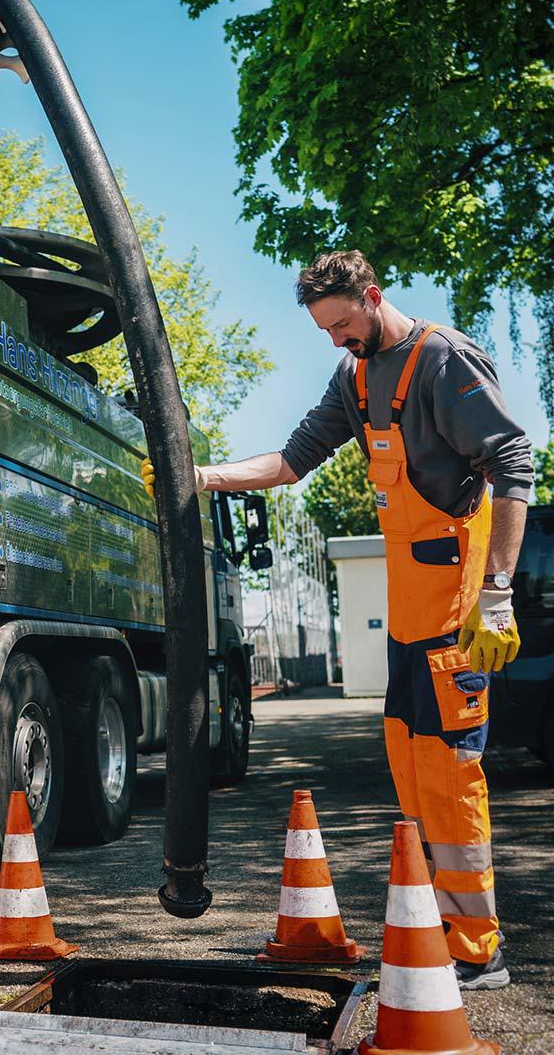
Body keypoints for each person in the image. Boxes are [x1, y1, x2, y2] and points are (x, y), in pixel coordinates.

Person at [142, 251, 532, 991]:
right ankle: (439, 935)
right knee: (414, 781)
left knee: (451, 780)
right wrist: (198, 477)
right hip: (410, 623)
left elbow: (513, 458)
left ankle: (480, 951)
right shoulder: (353, 378)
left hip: (457, 618)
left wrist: (499, 590)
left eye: (343, 323)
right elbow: (293, 462)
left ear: (373, 296)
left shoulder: (443, 358)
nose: (336, 340)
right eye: (324, 330)